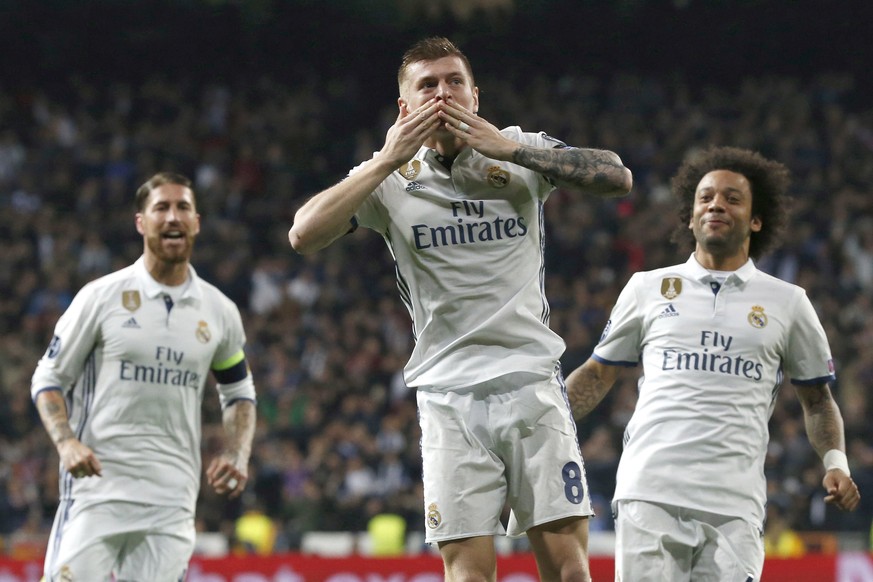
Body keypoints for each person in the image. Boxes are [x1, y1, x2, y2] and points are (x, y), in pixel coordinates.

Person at [288, 36, 632, 582]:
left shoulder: (519, 149)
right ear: (406, 108)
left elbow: (617, 176)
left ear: (475, 96)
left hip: (532, 383)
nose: (443, 94)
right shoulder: (388, 179)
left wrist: (513, 151)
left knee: (569, 569)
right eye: (428, 85)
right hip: (448, 396)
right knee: (468, 575)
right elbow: (303, 235)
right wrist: (383, 161)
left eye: (455, 82)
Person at [565, 146, 860, 581]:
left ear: (756, 220)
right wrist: (543, 434)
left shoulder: (789, 302)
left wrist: (836, 463)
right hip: (649, 493)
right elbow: (596, 374)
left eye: (732, 198)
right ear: (689, 216)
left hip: (734, 504)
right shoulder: (647, 288)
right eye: (705, 198)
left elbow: (817, 400)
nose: (716, 204)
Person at [31, 172, 257, 581]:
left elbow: (239, 390)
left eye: (183, 207)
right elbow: (48, 376)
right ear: (141, 222)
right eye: (161, 208)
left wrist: (237, 452)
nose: (173, 217)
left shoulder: (219, 311)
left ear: (197, 222)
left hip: (172, 499)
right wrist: (65, 444)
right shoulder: (101, 297)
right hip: (98, 490)